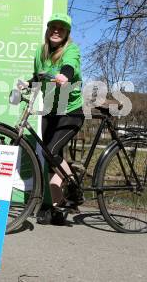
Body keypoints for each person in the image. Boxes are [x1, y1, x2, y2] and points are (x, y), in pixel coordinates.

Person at [32, 12, 84, 225]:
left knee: (52, 153)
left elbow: (70, 65)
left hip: (70, 111)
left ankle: (74, 189)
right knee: (51, 161)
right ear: (48, 29)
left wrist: (65, 75)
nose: (56, 31)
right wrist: (26, 85)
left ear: (66, 33)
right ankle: (57, 207)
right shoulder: (40, 51)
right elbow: (37, 76)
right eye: (53, 27)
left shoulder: (71, 49)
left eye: (61, 28)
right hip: (50, 111)